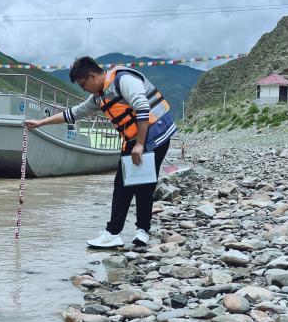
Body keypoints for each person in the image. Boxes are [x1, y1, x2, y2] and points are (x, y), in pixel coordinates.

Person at [25, 56, 177, 248]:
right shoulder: (99, 96)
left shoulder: (123, 80)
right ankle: (123, 232)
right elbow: (74, 113)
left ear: (91, 76)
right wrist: (40, 123)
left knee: (139, 184)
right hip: (135, 138)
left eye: (83, 85)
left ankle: (132, 232)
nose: (84, 89)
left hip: (155, 133)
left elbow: (143, 108)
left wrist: (139, 144)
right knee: (126, 184)